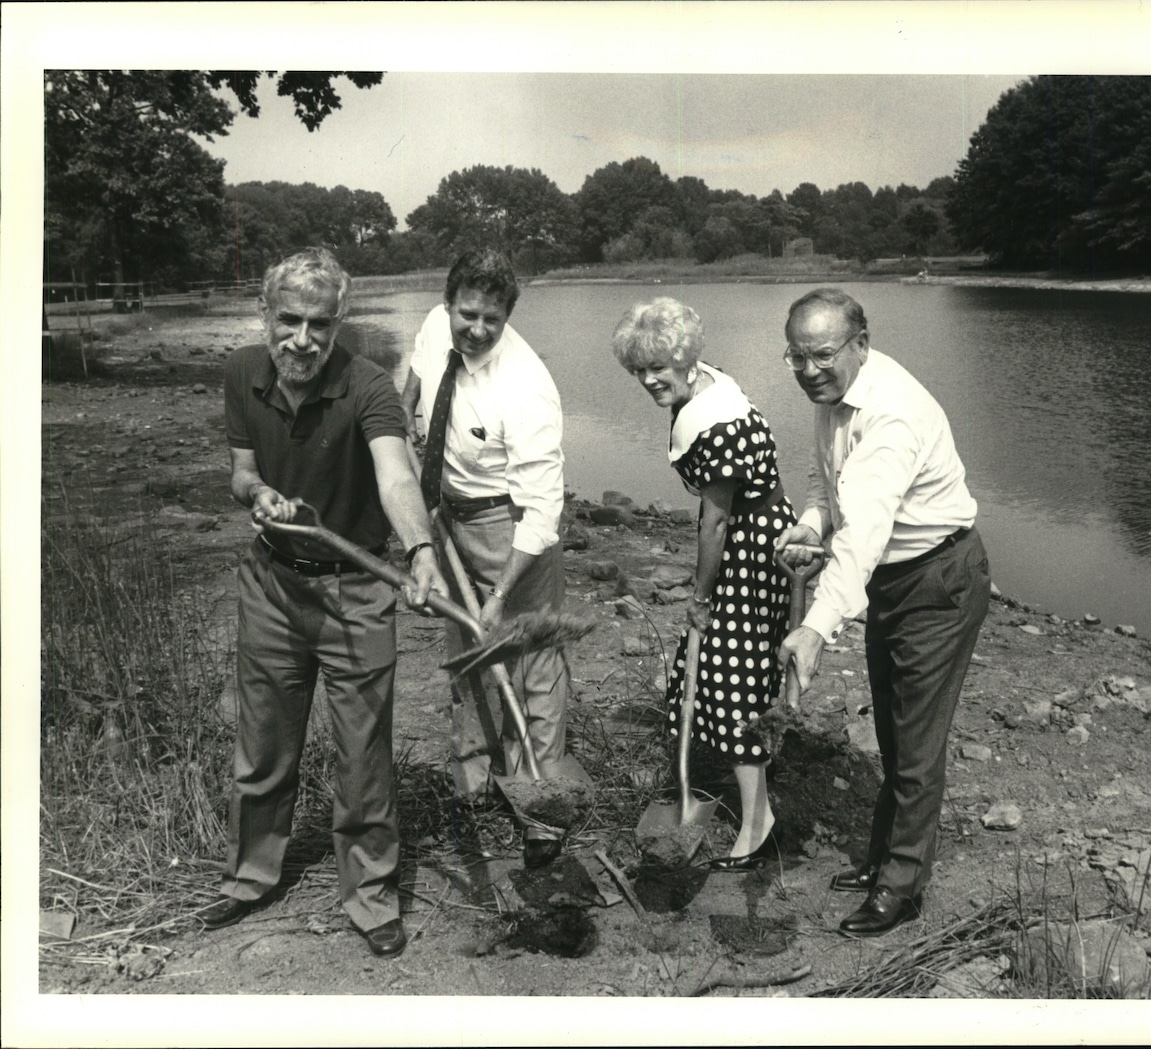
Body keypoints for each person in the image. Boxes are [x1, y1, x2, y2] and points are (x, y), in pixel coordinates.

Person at [199, 247, 447, 959]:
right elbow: (242, 473)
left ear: (339, 324)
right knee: (264, 743)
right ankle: (251, 875)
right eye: (288, 321)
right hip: (273, 583)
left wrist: (421, 551)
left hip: (359, 591)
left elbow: (397, 477)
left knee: (363, 755)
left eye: (320, 324)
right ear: (264, 313)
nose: (302, 339)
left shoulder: (370, 387)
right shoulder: (242, 372)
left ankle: (370, 896)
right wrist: (260, 495)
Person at [775, 287, 990, 936]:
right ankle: (882, 858)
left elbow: (863, 533)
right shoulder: (832, 396)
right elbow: (827, 481)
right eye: (795, 356)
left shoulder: (892, 415)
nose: (808, 369)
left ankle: (902, 886)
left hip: (938, 579)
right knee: (896, 731)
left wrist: (813, 628)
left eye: (822, 354)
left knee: (917, 742)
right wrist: (812, 523)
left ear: (860, 345)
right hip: (893, 577)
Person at [401, 249, 575, 870]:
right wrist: (408, 414)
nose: (476, 329)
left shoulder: (526, 387)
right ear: (448, 304)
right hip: (449, 515)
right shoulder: (431, 326)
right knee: (467, 656)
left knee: (531, 666)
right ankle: (476, 787)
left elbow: (541, 514)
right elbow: (418, 378)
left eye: (491, 320)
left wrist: (500, 594)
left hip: (512, 525)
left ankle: (540, 809)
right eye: (467, 314)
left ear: (508, 318)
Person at [610, 298, 796, 871]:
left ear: (687, 360)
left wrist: (700, 596)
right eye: (638, 370)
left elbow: (715, 519)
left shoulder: (715, 423)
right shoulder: (705, 385)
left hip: (750, 545)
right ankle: (748, 789)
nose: (647, 380)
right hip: (758, 532)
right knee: (726, 671)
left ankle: (760, 822)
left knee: (732, 680)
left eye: (657, 368)